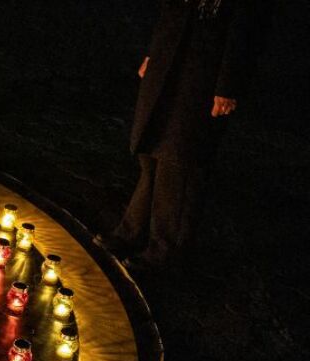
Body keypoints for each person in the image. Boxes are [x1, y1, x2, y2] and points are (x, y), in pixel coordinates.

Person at [102, 0, 256, 271]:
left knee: (177, 160)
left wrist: (227, 85)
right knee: (151, 152)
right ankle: (130, 232)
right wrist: (154, 53)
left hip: (204, 74)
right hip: (169, 61)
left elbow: (245, 29)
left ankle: (163, 249)